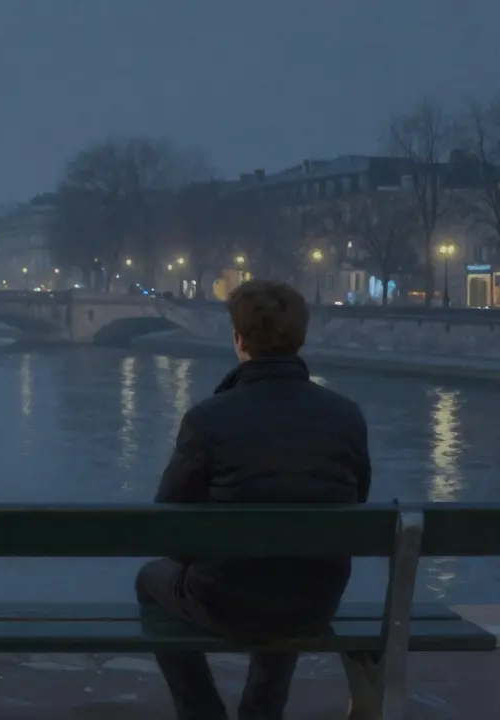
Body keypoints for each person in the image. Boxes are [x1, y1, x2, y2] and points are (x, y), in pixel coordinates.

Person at [136, 279, 372, 720]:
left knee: (150, 581)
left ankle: (202, 711)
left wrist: (197, 555)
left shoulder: (208, 418)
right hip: (314, 602)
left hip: (227, 603)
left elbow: (170, 527)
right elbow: (356, 501)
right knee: (295, 560)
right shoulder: (346, 415)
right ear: (299, 339)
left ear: (239, 340)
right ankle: (262, 709)